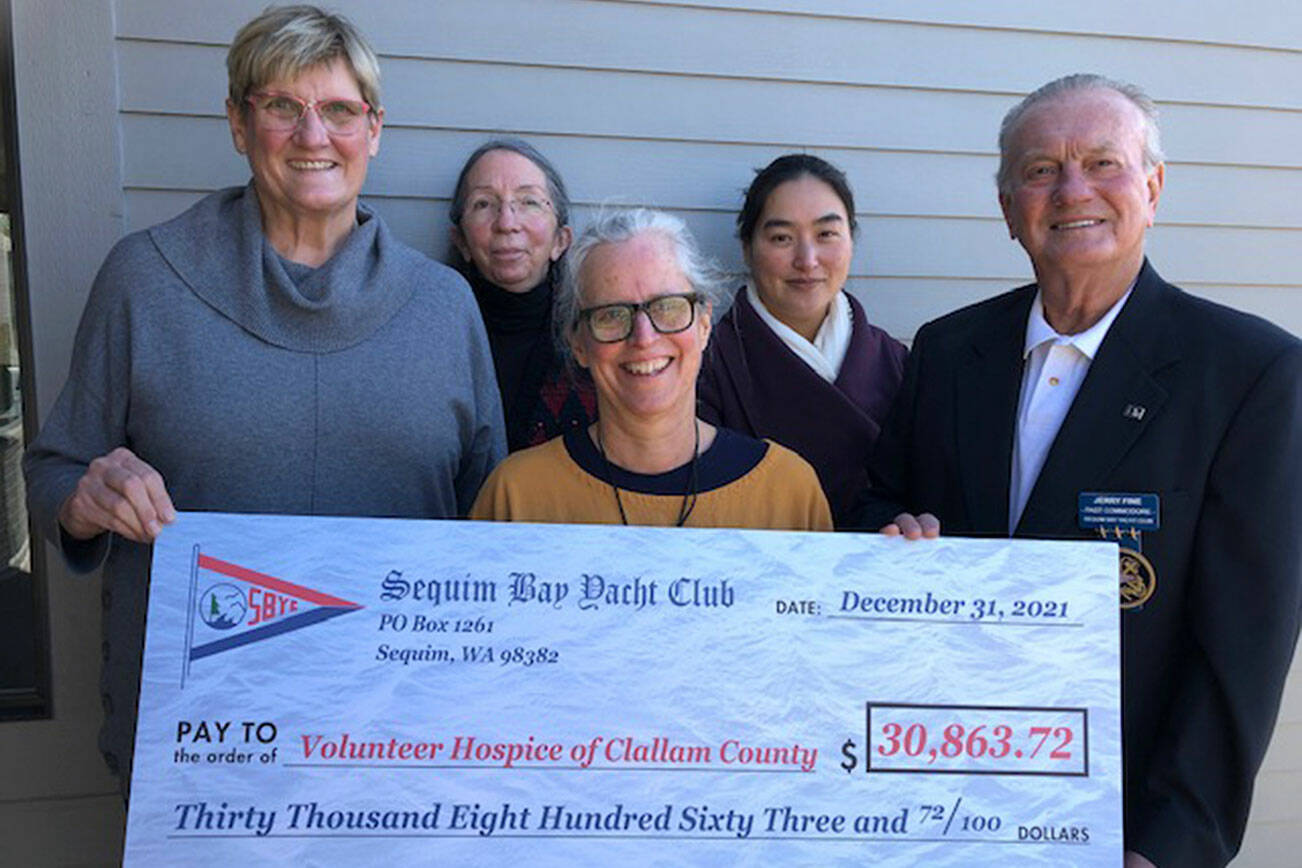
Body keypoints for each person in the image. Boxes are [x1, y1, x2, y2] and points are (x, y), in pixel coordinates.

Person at [22, 5, 505, 793]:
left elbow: (491, 518)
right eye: (282, 107)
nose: (314, 136)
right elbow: (52, 470)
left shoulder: (444, 308)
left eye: (340, 110)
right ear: (240, 125)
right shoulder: (145, 281)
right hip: (201, 741)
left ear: (374, 130)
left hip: (396, 740)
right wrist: (86, 495)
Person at [855, 74, 1302, 868]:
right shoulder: (948, 351)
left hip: (1117, 824)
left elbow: (1244, 648)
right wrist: (892, 533)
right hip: (932, 797)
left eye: (1103, 163)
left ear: (1153, 188)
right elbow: (880, 505)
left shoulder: (1251, 373)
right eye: (1039, 170)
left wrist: (1171, 844)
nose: (1072, 190)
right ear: (1007, 210)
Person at [472, 208, 831, 531]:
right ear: (578, 343)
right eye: (612, 314)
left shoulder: (787, 492)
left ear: (704, 324)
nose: (644, 337)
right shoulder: (516, 497)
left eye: (667, 307)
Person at [698, 154, 906, 526]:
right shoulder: (709, 368)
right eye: (782, 238)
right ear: (747, 248)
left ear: (851, 240)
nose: (807, 260)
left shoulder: (898, 362)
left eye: (826, 234)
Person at [449, 139, 597, 452]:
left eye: (529, 202)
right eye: (484, 204)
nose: (507, 223)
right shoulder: (430, 338)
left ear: (561, 240)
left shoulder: (596, 339)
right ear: (461, 241)